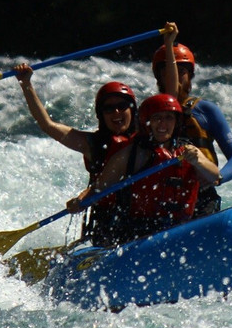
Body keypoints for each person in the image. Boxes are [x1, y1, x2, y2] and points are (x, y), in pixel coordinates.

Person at [71, 94, 221, 246]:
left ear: (176, 122)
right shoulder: (132, 154)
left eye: (169, 118)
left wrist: (199, 162)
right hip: (139, 232)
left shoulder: (189, 151)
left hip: (179, 228)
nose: (163, 124)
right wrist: (80, 201)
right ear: (146, 122)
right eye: (157, 118)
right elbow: (99, 188)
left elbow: (214, 176)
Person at [15, 63, 138, 239]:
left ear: (132, 110)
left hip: (141, 219)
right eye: (108, 108)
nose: (116, 112)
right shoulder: (92, 144)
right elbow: (47, 125)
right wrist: (26, 84)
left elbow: (171, 104)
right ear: (101, 115)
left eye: (122, 106)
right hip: (104, 222)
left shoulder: (146, 139)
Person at [151, 23, 232, 216]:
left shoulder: (206, 110)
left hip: (200, 196)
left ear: (191, 76)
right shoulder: (150, 113)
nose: (176, 78)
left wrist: (217, 178)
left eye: (181, 72)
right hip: (162, 197)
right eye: (167, 72)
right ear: (158, 77)